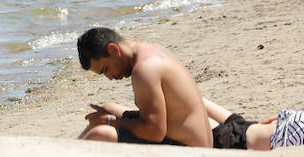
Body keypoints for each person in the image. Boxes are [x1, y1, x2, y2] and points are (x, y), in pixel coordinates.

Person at [75, 27, 239, 148]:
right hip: (197, 141)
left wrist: (112, 122)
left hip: (191, 150)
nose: (109, 77)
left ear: (113, 49)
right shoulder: (152, 50)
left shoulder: (144, 70)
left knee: (101, 133)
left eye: (105, 69)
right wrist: (110, 117)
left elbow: (154, 133)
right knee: (107, 108)